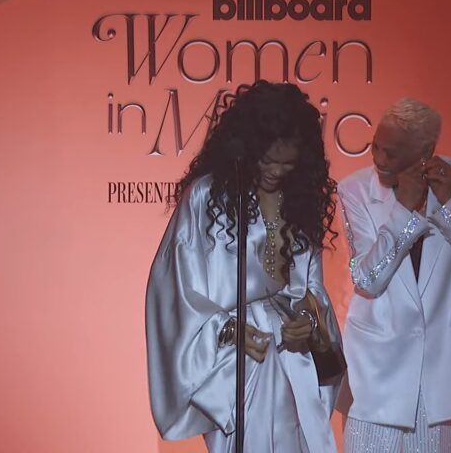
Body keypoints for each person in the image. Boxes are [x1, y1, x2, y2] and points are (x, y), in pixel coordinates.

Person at [146, 81, 342, 452]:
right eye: (267, 159)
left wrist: (310, 323)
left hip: (292, 359)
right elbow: (175, 289)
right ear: (247, 148)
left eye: (287, 162)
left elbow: (313, 287)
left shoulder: (301, 203)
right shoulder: (208, 198)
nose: (276, 170)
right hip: (238, 364)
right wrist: (226, 329)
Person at [337, 98, 451, 453]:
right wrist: (403, 210)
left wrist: (449, 205)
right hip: (375, 372)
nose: (379, 159)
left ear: (426, 150)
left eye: (391, 153)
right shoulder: (354, 190)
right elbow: (368, 278)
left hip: (441, 376)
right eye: (375, 147)